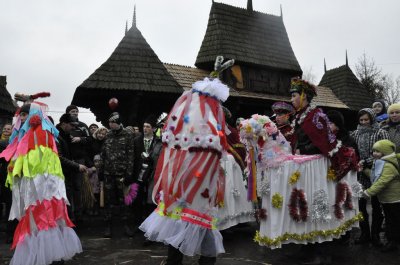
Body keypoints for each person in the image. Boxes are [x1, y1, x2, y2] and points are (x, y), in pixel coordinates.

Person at [140, 56, 234, 265]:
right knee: (198, 220)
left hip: (185, 188)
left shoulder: (186, 125)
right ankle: (198, 261)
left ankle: (176, 261)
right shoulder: (210, 128)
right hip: (198, 190)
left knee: (179, 220)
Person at [0, 99, 82, 265]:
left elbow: (44, 161)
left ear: (33, 115)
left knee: (45, 216)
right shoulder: (24, 135)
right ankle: (39, 254)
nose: (21, 118)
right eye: (20, 114)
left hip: (44, 186)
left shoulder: (43, 134)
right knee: (33, 218)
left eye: (24, 114)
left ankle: (51, 255)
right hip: (31, 184)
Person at [289, 78, 358, 265]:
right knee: (306, 203)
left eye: (294, 95)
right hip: (305, 166)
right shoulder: (300, 116)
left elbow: (325, 143)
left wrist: (303, 150)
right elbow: (298, 139)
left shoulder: (317, 115)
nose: (292, 99)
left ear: (304, 97)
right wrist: (296, 149)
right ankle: (309, 242)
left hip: (316, 166)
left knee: (318, 202)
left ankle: (322, 247)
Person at [351, 108, 389, 246]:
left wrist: (367, 162)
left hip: (377, 172)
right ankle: (364, 233)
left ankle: (376, 235)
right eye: (361, 120)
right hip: (360, 175)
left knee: (376, 206)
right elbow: (351, 152)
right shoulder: (355, 134)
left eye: (366, 119)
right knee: (360, 205)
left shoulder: (381, 132)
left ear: (372, 119)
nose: (364, 122)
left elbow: (386, 152)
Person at [99, 112, 135, 238]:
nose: (110, 124)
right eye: (109, 122)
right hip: (108, 173)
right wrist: (100, 171)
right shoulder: (107, 135)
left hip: (122, 174)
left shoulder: (128, 134)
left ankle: (126, 225)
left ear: (118, 123)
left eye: (112, 122)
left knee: (123, 201)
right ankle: (107, 226)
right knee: (108, 201)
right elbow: (103, 154)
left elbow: (131, 155)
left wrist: (129, 174)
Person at [364, 139, 400, 252]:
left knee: (394, 221)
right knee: (390, 220)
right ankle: (392, 241)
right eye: (373, 151)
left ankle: (393, 242)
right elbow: (375, 177)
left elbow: (382, 182)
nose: (374, 153)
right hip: (386, 199)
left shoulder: (388, 165)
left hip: (394, 199)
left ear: (385, 152)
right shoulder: (380, 162)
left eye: (378, 151)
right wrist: (364, 170)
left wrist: (368, 192)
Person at [56, 114, 88, 221]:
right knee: (64, 202)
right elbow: (58, 158)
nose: (74, 128)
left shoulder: (66, 136)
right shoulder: (56, 137)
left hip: (68, 173)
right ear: (63, 124)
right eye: (72, 125)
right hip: (60, 175)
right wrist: (77, 165)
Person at [132, 115, 162, 230]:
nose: (145, 129)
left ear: (153, 129)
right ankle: (138, 224)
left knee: (150, 200)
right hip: (139, 174)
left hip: (152, 175)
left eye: (148, 127)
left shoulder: (158, 141)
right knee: (138, 199)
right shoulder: (136, 140)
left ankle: (150, 225)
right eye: (144, 126)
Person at [65, 105, 92, 222]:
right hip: (67, 160)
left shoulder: (83, 126)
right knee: (67, 187)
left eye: (76, 111)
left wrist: (80, 139)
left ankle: (79, 213)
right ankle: (68, 213)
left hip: (80, 160)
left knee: (78, 186)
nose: (75, 113)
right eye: (72, 111)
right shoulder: (64, 126)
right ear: (68, 113)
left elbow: (91, 139)